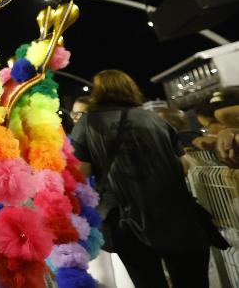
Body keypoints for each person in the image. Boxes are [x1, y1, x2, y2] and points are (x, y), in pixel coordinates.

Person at [71, 69, 226, 288]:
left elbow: (80, 173)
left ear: (98, 92)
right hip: (176, 215)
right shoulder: (154, 118)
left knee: (148, 282)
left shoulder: (87, 124)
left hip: (125, 220)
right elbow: (184, 165)